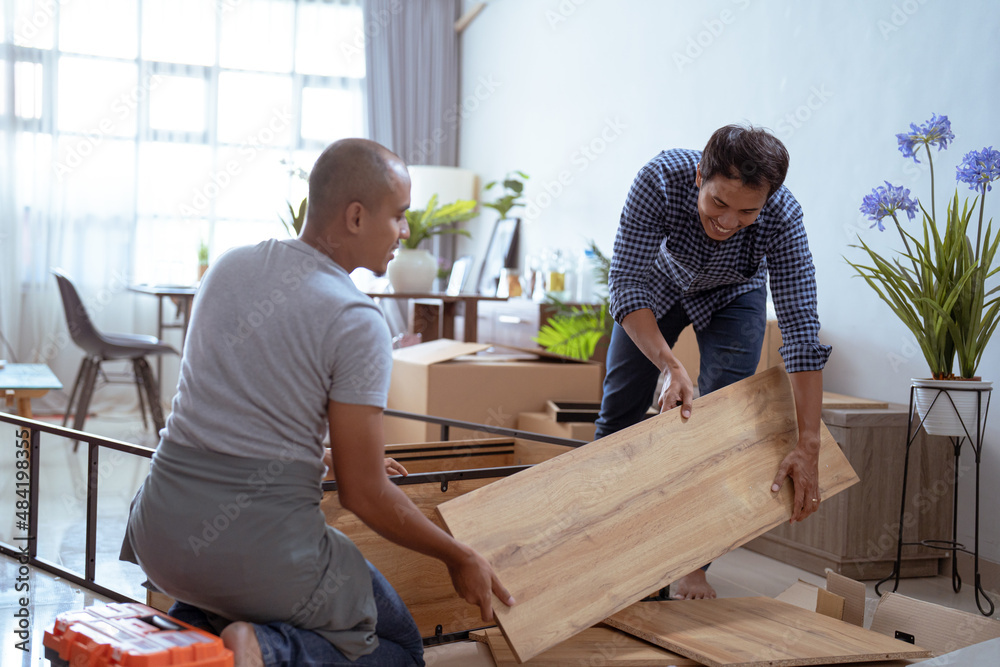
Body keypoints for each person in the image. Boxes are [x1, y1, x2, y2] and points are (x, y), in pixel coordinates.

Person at [121, 138, 514, 666]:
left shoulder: (228, 267)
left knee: (233, 591)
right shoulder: (355, 319)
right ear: (355, 216)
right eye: (399, 216)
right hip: (252, 553)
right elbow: (364, 495)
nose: (405, 232)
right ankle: (268, 651)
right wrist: (458, 554)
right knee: (400, 648)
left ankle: (200, 641)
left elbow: (230, 414)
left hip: (161, 535)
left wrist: (317, 457)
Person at [595, 124, 831, 600]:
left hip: (735, 294)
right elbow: (625, 284)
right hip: (657, 287)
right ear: (700, 175)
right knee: (619, 410)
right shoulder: (659, 180)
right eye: (718, 203)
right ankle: (603, 551)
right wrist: (668, 364)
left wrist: (809, 445)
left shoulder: (783, 217)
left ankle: (691, 563)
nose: (727, 221)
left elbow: (802, 331)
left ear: (768, 200)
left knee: (721, 424)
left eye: (747, 211)